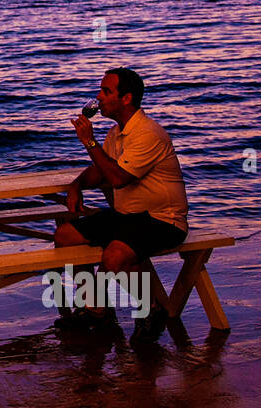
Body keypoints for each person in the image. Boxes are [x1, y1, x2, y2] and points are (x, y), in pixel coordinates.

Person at [53, 67, 188, 344]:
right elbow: (100, 170)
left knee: (114, 255)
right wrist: (77, 185)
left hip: (163, 220)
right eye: (100, 91)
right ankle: (97, 309)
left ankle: (147, 310)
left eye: (106, 91)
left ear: (126, 99)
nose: (99, 98)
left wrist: (88, 141)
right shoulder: (117, 133)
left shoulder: (148, 133)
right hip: (128, 217)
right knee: (65, 235)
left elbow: (117, 178)